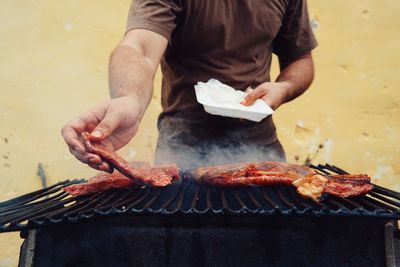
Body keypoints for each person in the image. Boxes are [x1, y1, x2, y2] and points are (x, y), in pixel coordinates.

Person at [62, 0, 317, 171]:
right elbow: (138, 47)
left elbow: (300, 59)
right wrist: (129, 100)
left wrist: (283, 88)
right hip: (184, 149)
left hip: (260, 145)